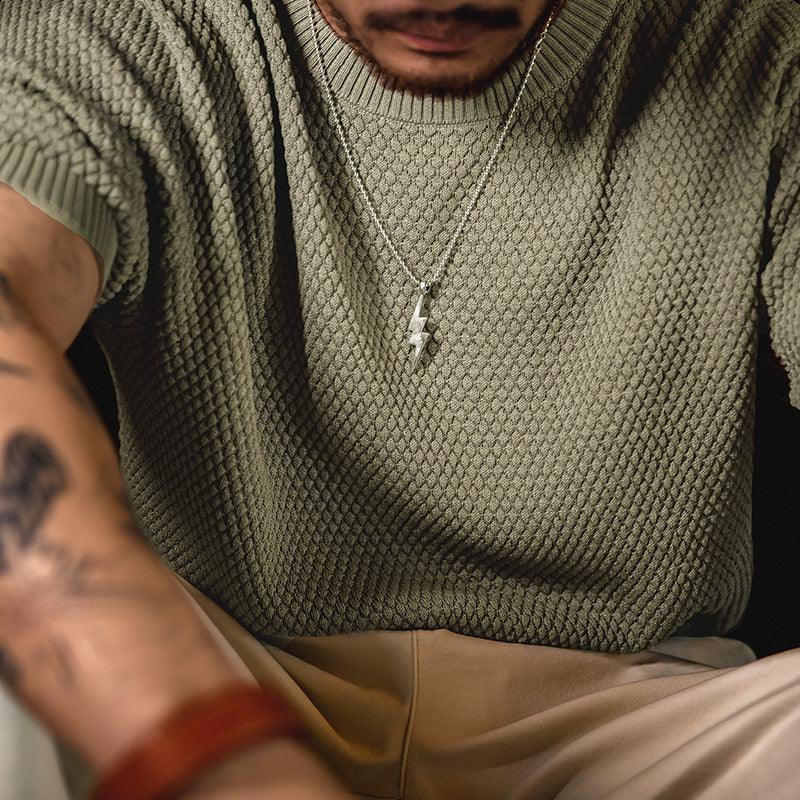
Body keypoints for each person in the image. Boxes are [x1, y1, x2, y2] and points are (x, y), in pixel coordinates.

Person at [0, 0, 798, 797]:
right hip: (215, 669)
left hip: (654, 721)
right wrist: (214, 757)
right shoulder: (125, 24)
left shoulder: (766, 36)